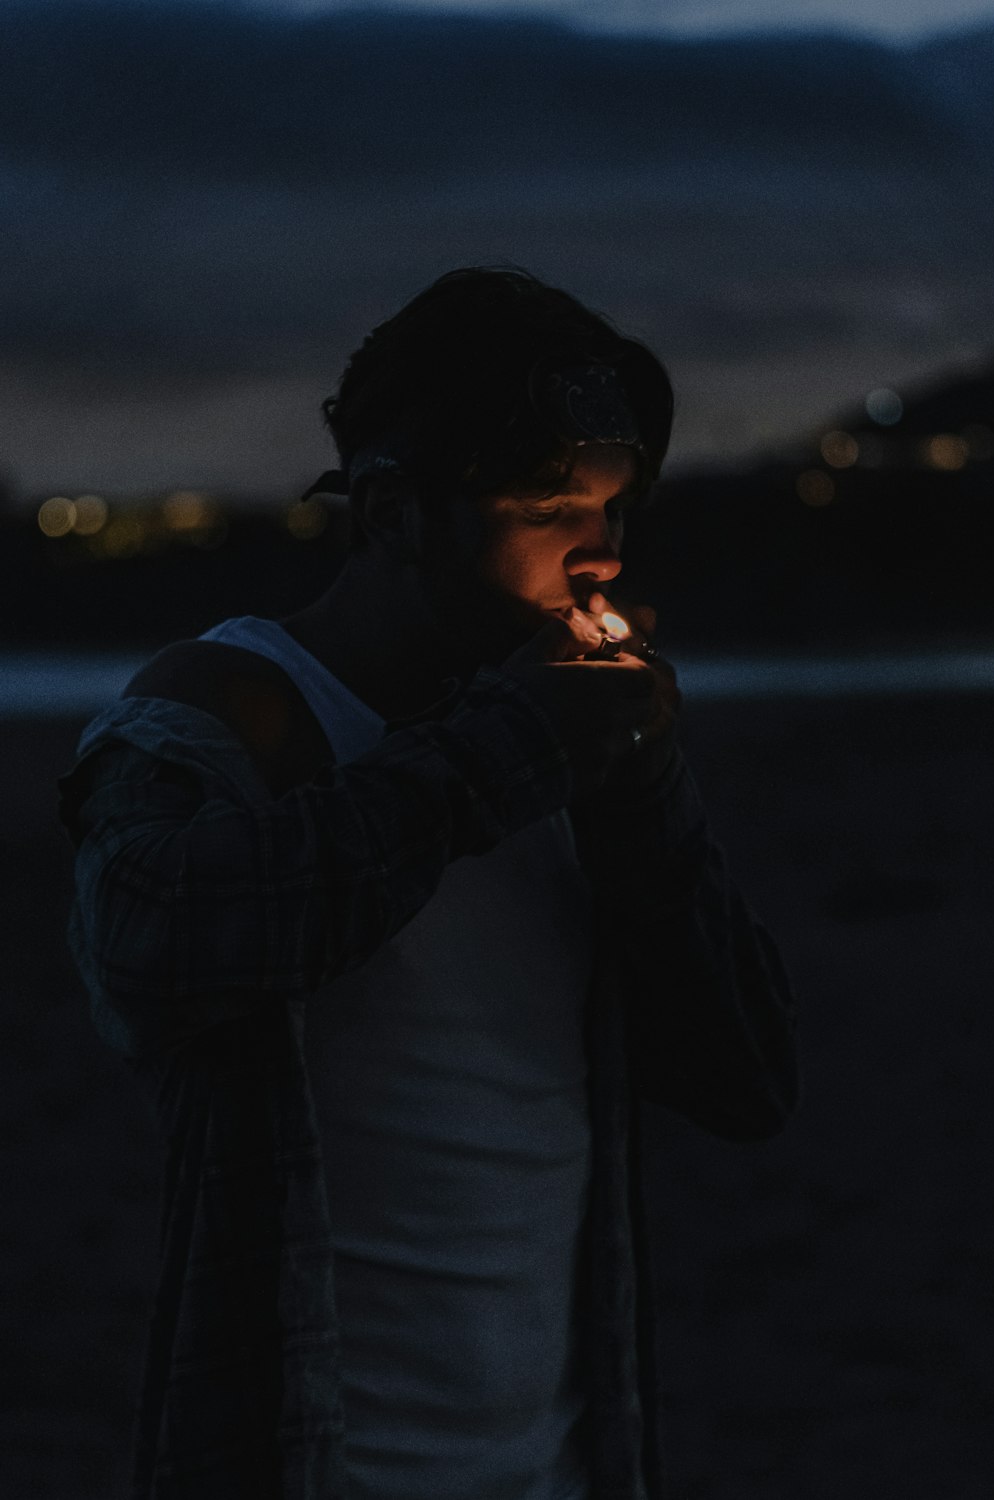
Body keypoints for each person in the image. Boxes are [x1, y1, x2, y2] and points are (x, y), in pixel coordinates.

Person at [57, 266, 797, 1500]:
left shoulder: (564, 731)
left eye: (616, 509)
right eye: (555, 504)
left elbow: (747, 1078)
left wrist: (639, 796)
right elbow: (150, 949)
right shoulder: (224, 712)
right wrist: (504, 754)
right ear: (395, 513)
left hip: (563, 1461)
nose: (599, 556)